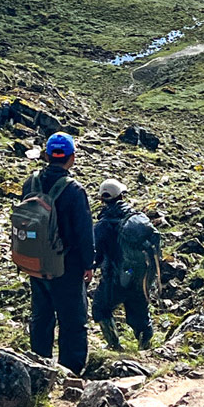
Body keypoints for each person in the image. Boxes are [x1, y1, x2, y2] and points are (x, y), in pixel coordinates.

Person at [23, 132, 93, 373]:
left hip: (34, 261)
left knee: (41, 315)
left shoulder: (30, 183)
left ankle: (38, 365)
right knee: (73, 319)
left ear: (48, 155)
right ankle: (69, 371)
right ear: (71, 157)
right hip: (67, 265)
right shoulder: (74, 190)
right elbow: (84, 232)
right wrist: (88, 263)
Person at [92, 179, 159, 351]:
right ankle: (145, 348)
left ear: (102, 200)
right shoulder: (137, 219)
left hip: (115, 277)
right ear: (122, 196)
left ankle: (114, 346)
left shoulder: (102, 226)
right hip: (138, 274)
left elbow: (96, 254)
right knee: (140, 313)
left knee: (100, 308)